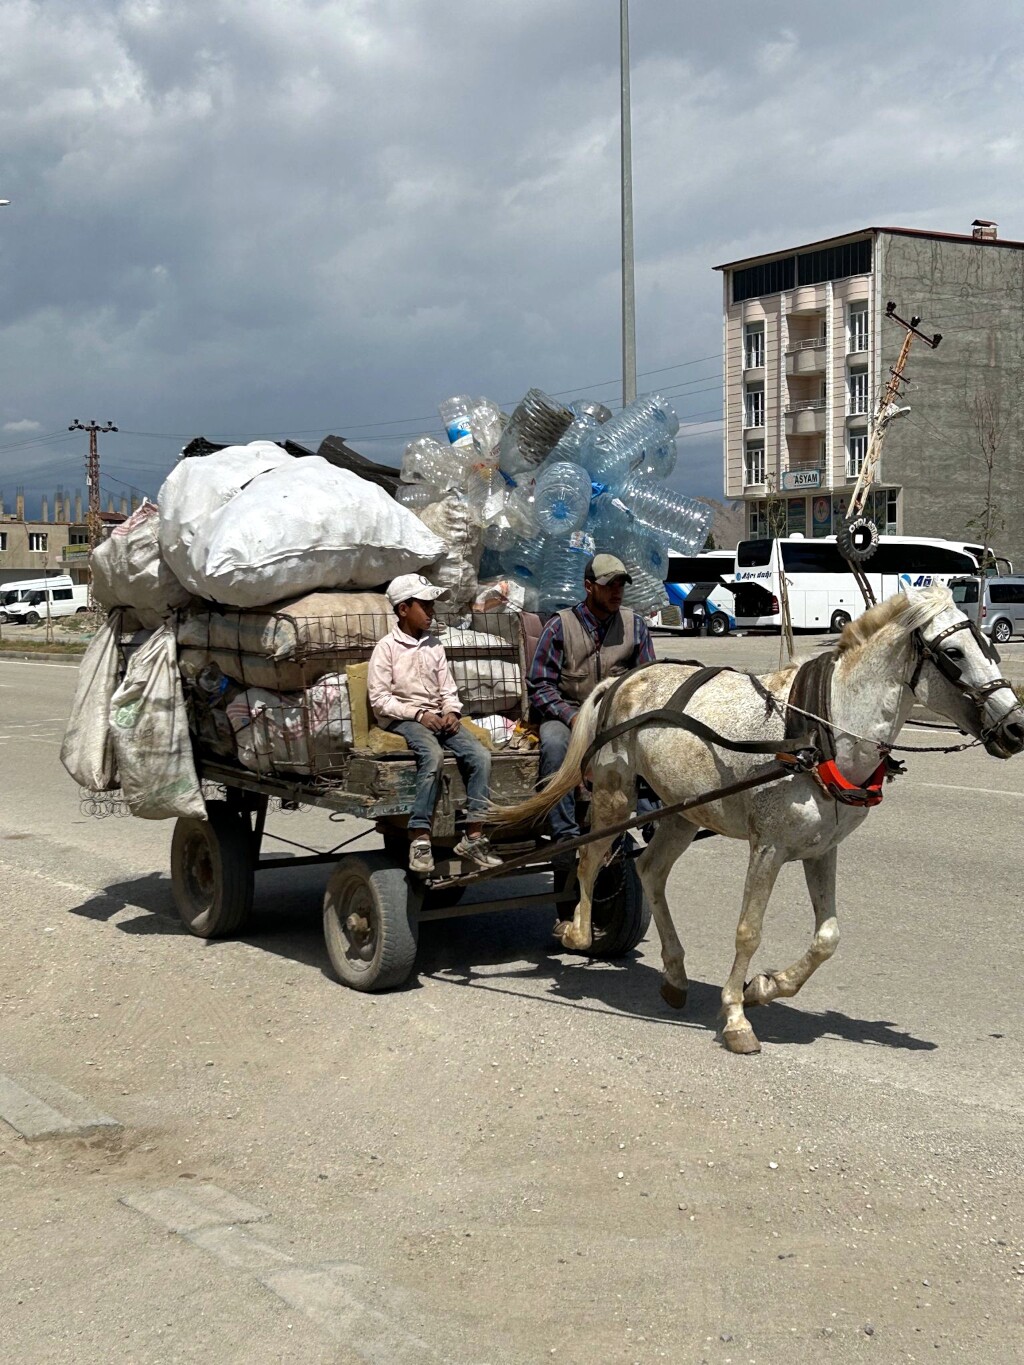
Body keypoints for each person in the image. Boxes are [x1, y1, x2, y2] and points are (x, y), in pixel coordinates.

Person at [367, 573, 502, 877]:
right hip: (404, 720)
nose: (431, 612)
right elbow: (380, 700)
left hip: (437, 717)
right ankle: (419, 836)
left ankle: (474, 835)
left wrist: (452, 711)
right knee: (433, 756)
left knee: (480, 756)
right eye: (425, 606)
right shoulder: (386, 648)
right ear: (403, 609)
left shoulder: (434, 646)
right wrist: (417, 715)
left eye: (432, 606)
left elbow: (448, 689)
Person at [527, 552, 657, 844]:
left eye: (621, 585)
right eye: (609, 585)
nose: (617, 592)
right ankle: (564, 835)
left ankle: (653, 817)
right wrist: (573, 717)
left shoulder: (634, 626)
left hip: (615, 716)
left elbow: (648, 681)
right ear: (589, 587)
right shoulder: (560, 626)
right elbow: (539, 685)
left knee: (652, 738)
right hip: (569, 712)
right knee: (555, 744)